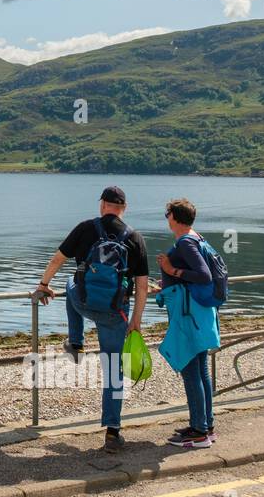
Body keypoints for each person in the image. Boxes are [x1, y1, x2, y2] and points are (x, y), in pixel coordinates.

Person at [34, 186, 148, 453]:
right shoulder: (135, 237)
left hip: (83, 302)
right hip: (114, 312)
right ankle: (112, 432)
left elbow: (58, 259)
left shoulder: (85, 228)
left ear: (102, 205)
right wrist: (136, 321)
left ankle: (76, 342)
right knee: (114, 371)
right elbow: (142, 285)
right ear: (124, 207)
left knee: (69, 282)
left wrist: (43, 284)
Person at [151, 198, 216, 449]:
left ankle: (199, 433)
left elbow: (203, 275)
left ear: (174, 217)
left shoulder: (186, 242)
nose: (166, 218)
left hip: (189, 315)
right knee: (200, 370)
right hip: (199, 313)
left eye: (167, 214)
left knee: (191, 371)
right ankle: (205, 425)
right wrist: (168, 279)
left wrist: (170, 269)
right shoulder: (197, 238)